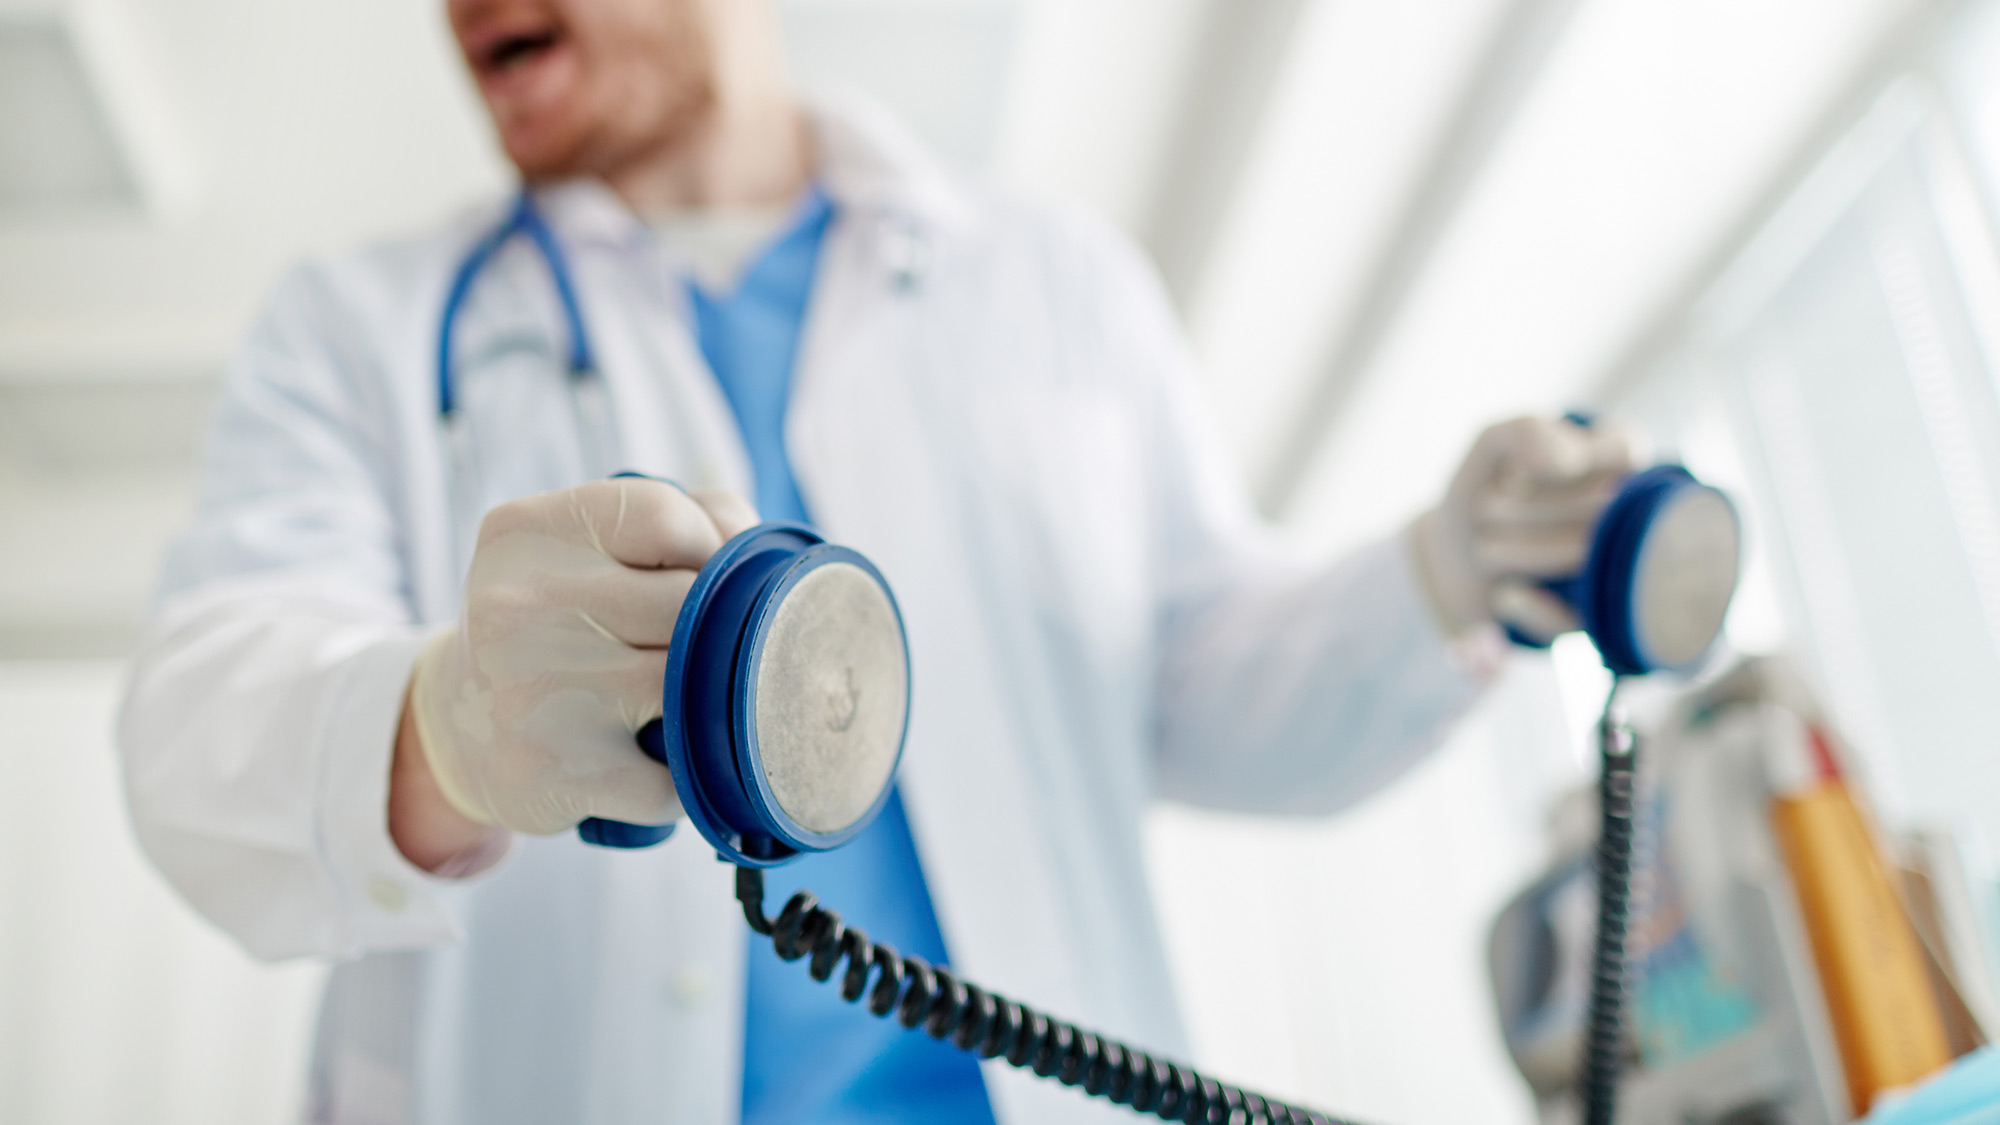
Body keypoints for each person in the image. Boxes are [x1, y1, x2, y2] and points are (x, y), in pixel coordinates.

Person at [117, 0, 1636, 1122]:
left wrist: (1440, 575)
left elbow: (1198, 683)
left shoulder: (1053, 282)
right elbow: (202, 727)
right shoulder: (362, 328)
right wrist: (440, 725)